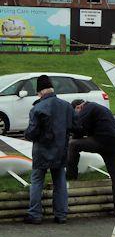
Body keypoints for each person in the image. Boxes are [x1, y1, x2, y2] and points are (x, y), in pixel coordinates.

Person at [23, 75, 77, 224]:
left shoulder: (37, 108)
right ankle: (61, 215)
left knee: (37, 181)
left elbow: (32, 133)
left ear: (40, 92)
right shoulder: (66, 106)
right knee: (60, 181)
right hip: (60, 150)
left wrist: (26, 134)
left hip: (41, 151)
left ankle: (35, 215)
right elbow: (76, 126)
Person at [67, 99, 115, 215]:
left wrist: (72, 136)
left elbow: (77, 127)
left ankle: (71, 175)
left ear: (79, 107)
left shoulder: (88, 107)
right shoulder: (98, 108)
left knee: (73, 145)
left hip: (102, 141)